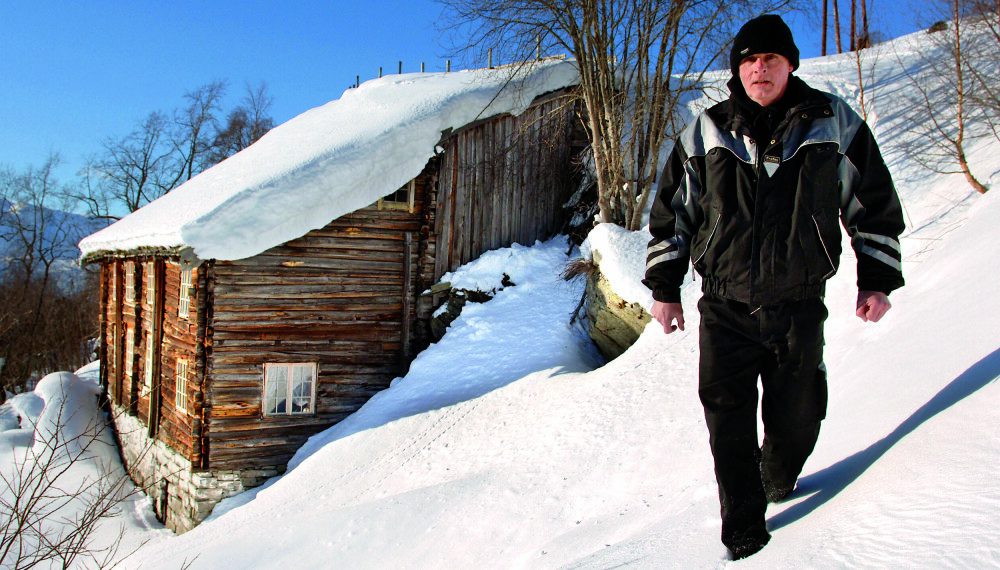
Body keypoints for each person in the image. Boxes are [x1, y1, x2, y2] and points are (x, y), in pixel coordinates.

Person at [642, 14, 905, 560]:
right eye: (749, 61)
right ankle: (744, 533)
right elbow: (672, 215)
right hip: (725, 306)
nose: (759, 69)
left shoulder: (833, 124)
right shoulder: (706, 130)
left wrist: (876, 279)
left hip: (798, 304)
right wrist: (665, 287)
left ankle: (778, 479)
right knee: (727, 423)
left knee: (798, 417)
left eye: (770, 60)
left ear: (790, 65)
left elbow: (872, 203)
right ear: (737, 69)